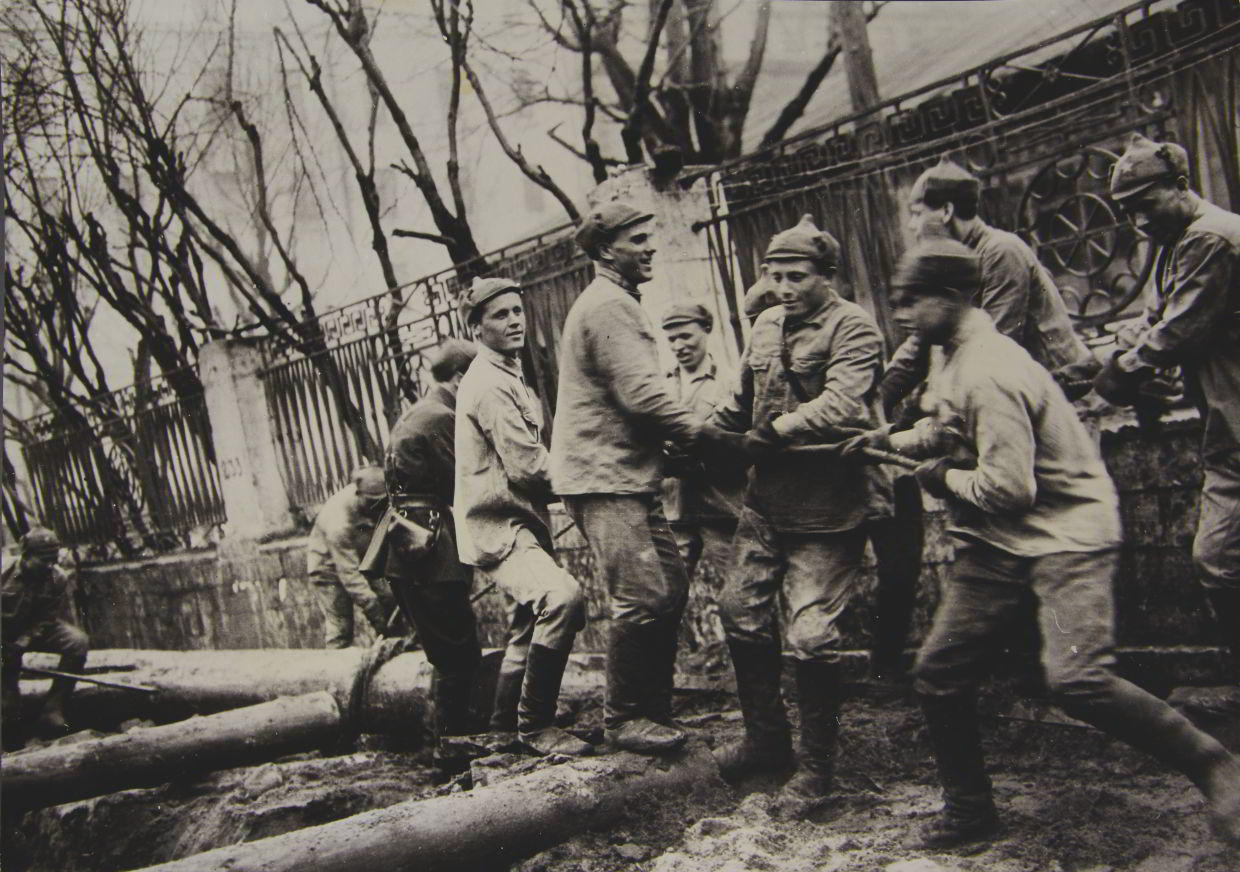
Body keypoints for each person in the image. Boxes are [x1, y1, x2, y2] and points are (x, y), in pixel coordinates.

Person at [859, 238, 1240, 850]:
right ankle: (970, 813)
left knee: (1078, 679)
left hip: (1067, 534)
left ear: (954, 297)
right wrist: (893, 441)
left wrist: (936, 477)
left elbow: (1009, 489)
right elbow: (948, 424)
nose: (899, 312)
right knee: (938, 673)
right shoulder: (950, 351)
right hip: (998, 542)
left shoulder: (990, 369)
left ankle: (1215, 764)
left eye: (910, 300)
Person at [710, 214, 893, 820]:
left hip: (830, 508)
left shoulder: (855, 328)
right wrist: (707, 437)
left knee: (811, 637)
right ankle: (767, 740)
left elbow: (844, 401)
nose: (784, 287)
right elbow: (742, 401)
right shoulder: (764, 325)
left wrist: (774, 432)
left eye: (797, 277)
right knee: (738, 614)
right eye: (774, 275)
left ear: (827, 275)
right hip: (767, 504)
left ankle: (818, 772)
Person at [550, 200, 730, 754]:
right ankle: (624, 718)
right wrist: (707, 436)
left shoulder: (617, 301)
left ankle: (653, 708)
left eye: (650, 236)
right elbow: (643, 395)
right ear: (607, 250)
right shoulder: (607, 306)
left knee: (669, 587)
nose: (650, 246)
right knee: (642, 595)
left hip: (627, 474)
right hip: (604, 479)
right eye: (637, 239)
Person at [1094, 133, 1240, 701]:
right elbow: (1159, 318)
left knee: (1219, 558)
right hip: (1227, 421)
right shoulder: (1185, 239)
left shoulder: (1208, 238)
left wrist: (1122, 371)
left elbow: (1176, 331)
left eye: (1145, 203)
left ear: (1182, 186)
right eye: (1127, 210)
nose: (1137, 220)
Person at [455, 276, 592, 757]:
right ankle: (535, 726)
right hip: (500, 527)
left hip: (518, 521)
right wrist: (592, 474)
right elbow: (529, 466)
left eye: (517, 310)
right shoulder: (491, 384)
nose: (515, 320)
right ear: (475, 327)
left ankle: (502, 728)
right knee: (562, 598)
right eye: (500, 315)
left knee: (526, 627)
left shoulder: (507, 372)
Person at [882, 155, 1099, 411]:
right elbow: (919, 345)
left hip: (1065, 395)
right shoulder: (950, 262)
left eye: (918, 214)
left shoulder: (1000, 251)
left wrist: (926, 404)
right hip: (1020, 396)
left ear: (946, 211)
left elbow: (996, 342)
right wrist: (875, 402)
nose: (912, 225)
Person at [376, 339, 483, 748]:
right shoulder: (441, 418)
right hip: (432, 550)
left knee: (445, 649)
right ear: (459, 379)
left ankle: (447, 740)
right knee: (458, 651)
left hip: (409, 548)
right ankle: (455, 747)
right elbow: (463, 483)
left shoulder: (417, 412)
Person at [659, 302, 744, 582]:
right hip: (674, 508)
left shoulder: (731, 383)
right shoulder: (661, 386)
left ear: (706, 331)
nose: (679, 346)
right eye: (672, 339)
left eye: (686, 336)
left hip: (720, 507)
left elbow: (738, 443)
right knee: (668, 595)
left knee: (740, 590)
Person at [1, 527, 90, 749]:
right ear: (26, 555)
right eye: (44, 560)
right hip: (3, 636)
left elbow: (47, 618)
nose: (50, 566)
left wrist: (25, 640)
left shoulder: (57, 578)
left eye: (53, 560)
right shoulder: (3, 572)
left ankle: (53, 709)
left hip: (33, 630)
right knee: (7, 697)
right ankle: (13, 746)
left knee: (77, 642)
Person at [306, 466, 397, 648]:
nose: (378, 507)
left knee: (390, 603)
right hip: (328, 569)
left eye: (382, 502)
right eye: (372, 502)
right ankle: (336, 668)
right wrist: (373, 609)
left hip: (364, 559)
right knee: (341, 628)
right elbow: (350, 576)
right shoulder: (338, 523)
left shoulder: (378, 502)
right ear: (359, 495)